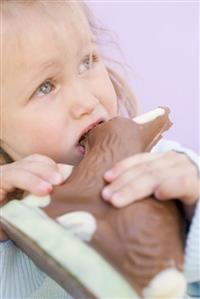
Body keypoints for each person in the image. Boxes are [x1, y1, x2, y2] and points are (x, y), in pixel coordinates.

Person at [0, 1, 199, 298]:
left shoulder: (161, 166)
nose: (87, 101)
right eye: (45, 87)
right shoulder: (7, 216)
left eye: (87, 61)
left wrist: (192, 209)